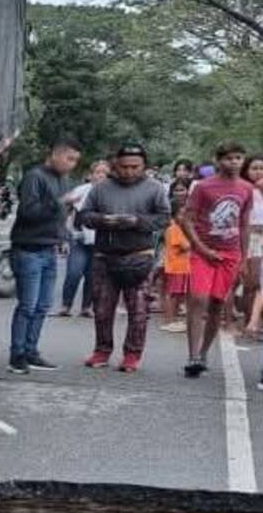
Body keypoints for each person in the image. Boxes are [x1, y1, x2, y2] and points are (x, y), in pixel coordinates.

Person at [77, 143, 171, 372]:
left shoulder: (155, 188)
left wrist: (136, 221)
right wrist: (102, 220)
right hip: (105, 256)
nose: (129, 171)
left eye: (135, 167)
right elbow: (84, 216)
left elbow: (164, 218)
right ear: (115, 165)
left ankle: (132, 354)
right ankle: (101, 350)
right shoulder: (100, 188)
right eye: (124, 166)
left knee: (139, 310)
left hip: (139, 256)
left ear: (144, 166)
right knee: (102, 308)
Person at [178, 141, 254, 377]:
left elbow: (243, 224)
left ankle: (203, 353)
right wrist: (201, 248)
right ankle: (192, 355)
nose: (234, 162)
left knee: (217, 304)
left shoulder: (246, 188)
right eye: (230, 158)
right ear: (218, 160)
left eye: (239, 158)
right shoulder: (203, 187)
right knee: (198, 299)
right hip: (204, 251)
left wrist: (243, 257)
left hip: (230, 254)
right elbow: (187, 219)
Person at [7, 136, 82, 374]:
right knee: (27, 306)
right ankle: (17, 355)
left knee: (42, 307)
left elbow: (59, 216)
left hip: (49, 248)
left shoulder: (63, 179)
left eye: (75, 161)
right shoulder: (35, 177)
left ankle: (31, 351)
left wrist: (63, 238)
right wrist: (61, 202)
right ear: (56, 154)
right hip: (28, 249)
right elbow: (28, 212)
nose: (72, 164)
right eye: (69, 158)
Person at [58, 159, 110, 317]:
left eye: (104, 173)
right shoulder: (83, 189)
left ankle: (86, 307)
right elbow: (63, 204)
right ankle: (66, 305)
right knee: (74, 272)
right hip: (78, 238)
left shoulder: (113, 193)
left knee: (92, 275)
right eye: (98, 172)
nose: (100, 175)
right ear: (91, 175)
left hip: (100, 241)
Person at [161, 194, 192, 333]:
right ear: (174, 215)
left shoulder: (178, 228)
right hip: (176, 267)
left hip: (181, 267)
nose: (184, 217)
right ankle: (169, 320)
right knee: (172, 294)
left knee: (177, 294)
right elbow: (185, 246)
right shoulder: (174, 229)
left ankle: (173, 319)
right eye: (181, 214)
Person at [240, 155, 263, 338]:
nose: (258, 172)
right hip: (253, 240)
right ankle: (250, 322)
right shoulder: (245, 190)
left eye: (261, 168)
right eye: (254, 168)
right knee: (252, 284)